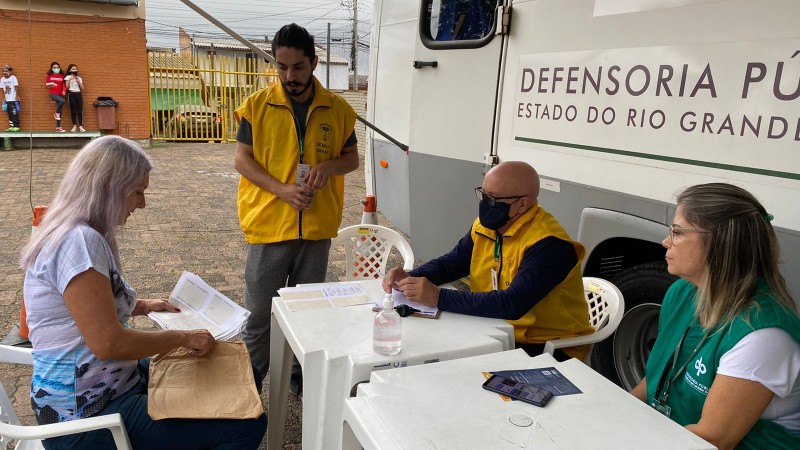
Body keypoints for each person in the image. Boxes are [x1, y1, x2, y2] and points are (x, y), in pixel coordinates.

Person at [20, 136, 267, 450]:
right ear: (109, 187)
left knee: (245, 374)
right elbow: (109, 343)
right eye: (137, 192)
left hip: (111, 386)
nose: (142, 203)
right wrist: (184, 337)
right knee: (248, 424)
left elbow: (86, 307)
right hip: (85, 418)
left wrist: (145, 306)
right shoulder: (79, 242)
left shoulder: (80, 232)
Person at [234, 23, 359, 387]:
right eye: (282, 67)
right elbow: (243, 160)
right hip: (269, 226)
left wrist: (328, 167)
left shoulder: (338, 110)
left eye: (298, 67)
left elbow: (350, 159)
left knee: (307, 315)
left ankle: (299, 381)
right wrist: (282, 190)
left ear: (315, 62)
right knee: (258, 317)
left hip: (316, 230)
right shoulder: (256, 107)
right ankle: (249, 387)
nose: (289, 76)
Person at [630, 183, 800, 449]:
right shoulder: (682, 292)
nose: (666, 242)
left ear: (719, 243)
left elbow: (713, 440)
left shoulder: (763, 336)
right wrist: (616, 412)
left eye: (676, 232)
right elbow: (654, 379)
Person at [383, 161, 594, 361]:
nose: (485, 204)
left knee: (449, 362)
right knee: (427, 347)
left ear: (522, 204)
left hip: (546, 345)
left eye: (493, 199)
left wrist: (438, 297)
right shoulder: (487, 226)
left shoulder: (549, 244)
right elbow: (454, 262)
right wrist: (412, 276)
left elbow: (513, 303)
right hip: (495, 327)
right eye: (483, 195)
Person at [62, 64, 86, 132]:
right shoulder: (67, 77)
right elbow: (67, 87)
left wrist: (79, 82)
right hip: (71, 93)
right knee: (73, 111)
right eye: (73, 69)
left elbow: (82, 88)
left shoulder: (79, 78)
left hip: (78, 94)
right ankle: (74, 126)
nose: (75, 70)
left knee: (80, 111)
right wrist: (69, 80)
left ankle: (81, 126)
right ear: (70, 70)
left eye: (75, 69)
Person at [44, 61, 66, 132]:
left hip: (60, 94)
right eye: (54, 67)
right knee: (62, 101)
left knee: (60, 112)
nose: (56, 68)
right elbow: (46, 86)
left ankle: (58, 127)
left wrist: (64, 91)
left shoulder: (62, 76)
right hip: (53, 94)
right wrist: (49, 85)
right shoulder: (49, 76)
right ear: (52, 68)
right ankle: (56, 113)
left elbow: (64, 85)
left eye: (57, 67)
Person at [1, 64, 20, 131]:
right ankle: (11, 126)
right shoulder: (2, 79)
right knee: (9, 113)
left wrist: (16, 96)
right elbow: (2, 89)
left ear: (10, 71)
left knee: (14, 113)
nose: (4, 72)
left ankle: (16, 126)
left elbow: (16, 87)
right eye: (3, 71)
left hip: (13, 99)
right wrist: (4, 97)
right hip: (7, 100)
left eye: (6, 71)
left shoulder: (13, 78)